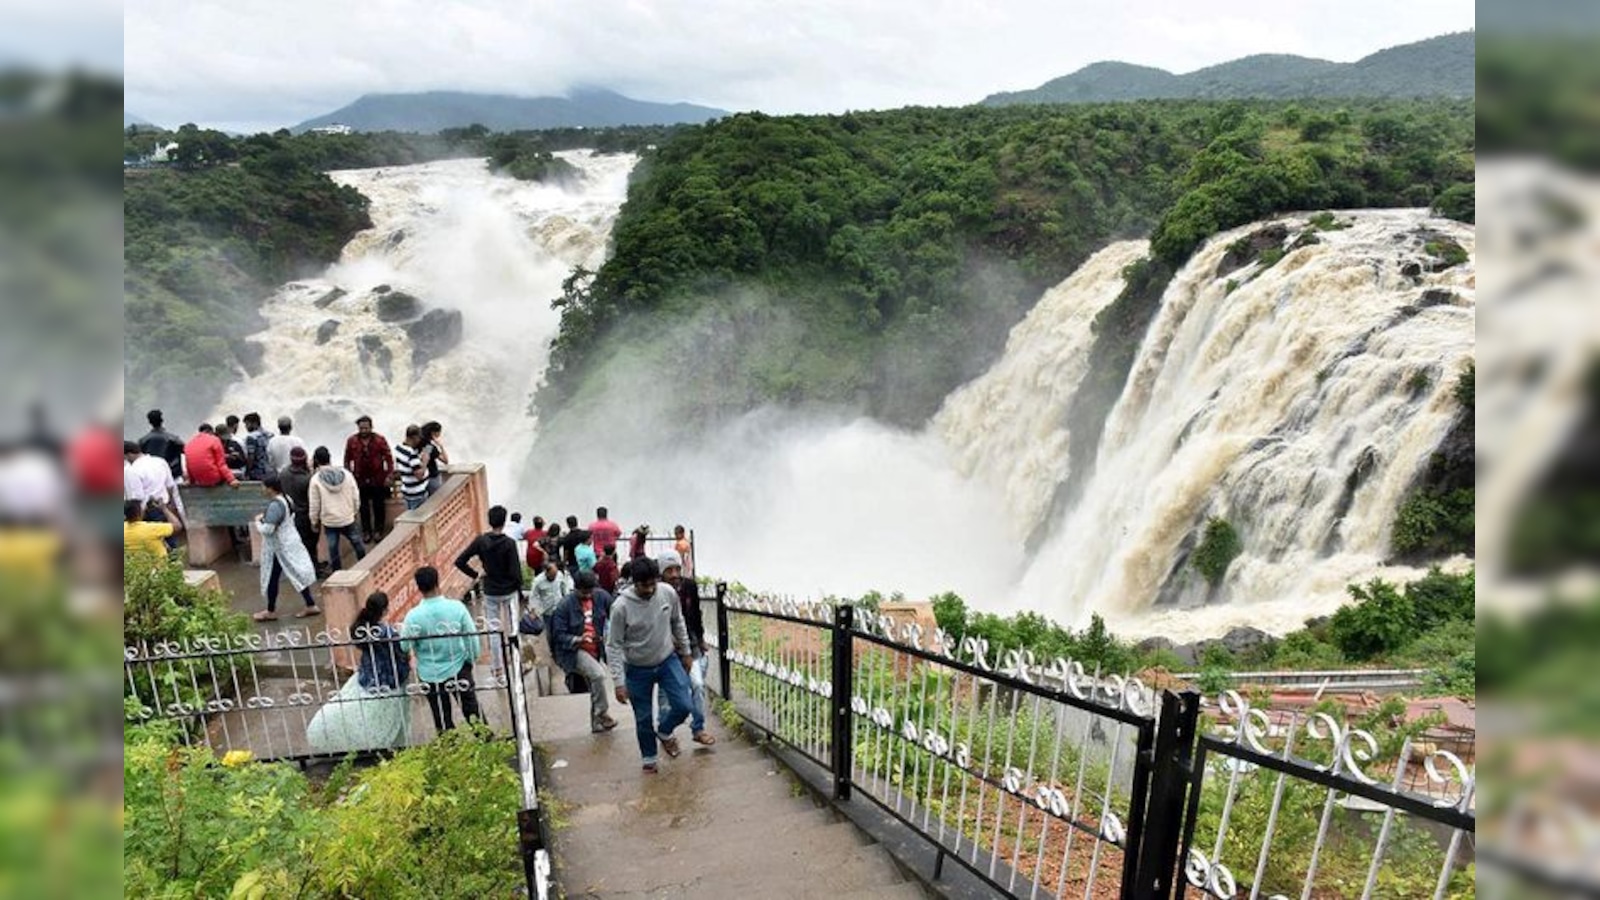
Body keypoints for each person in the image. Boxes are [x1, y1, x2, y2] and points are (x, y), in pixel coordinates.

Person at [606, 557, 708, 773]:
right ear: (635, 582)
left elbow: (677, 621)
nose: (650, 589)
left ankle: (664, 731)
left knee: (684, 705)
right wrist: (618, 682)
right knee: (643, 717)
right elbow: (613, 645)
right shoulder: (621, 607)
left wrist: (686, 652)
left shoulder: (667, 593)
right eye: (645, 585)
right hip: (636, 667)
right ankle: (649, 759)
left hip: (667, 659)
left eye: (653, 583)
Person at [306, 591, 411, 754]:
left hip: (368, 675)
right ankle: (388, 745)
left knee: (362, 712)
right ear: (384, 610)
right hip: (389, 679)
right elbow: (401, 650)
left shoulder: (361, 628)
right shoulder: (386, 632)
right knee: (390, 717)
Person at [400, 566, 481, 733]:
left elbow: (404, 645)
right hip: (458, 666)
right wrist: (471, 659)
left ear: (419, 588)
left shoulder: (413, 616)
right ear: (438, 583)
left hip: (429, 672)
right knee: (473, 712)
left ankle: (451, 751)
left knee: (442, 718)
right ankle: (486, 743)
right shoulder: (456, 607)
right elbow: (471, 637)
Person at [454, 505, 522, 681]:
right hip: (508, 591)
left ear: (489, 521)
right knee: (513, 629)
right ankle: (516, 664)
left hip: (491, 590)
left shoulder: (481, 541)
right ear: (504, 521)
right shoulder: (509, 543)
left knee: (493, 631)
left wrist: (476, 575)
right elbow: (516, 572)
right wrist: (518, 589)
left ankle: (497, 671)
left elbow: (460, 561)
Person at [552, 571, 619, 734]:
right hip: (574, 651)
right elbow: (558, 635)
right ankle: (602, 714)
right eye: (584, 592)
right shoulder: (564, 606)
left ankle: (596, 724)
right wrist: (578, 639)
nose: (588, 595)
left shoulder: (601, 597)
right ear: (576, 589)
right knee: (598, 675)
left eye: (590, 591)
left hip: (595, 648)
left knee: (595, 686)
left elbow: (617, 613)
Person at [252, 473, 320, 622]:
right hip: (290, 542)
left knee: (273, 577)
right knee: (295, 574)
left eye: (263, 486)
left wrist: (258, 522)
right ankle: (310, 604)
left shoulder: (275, 505)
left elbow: (268, 529)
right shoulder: (286, 499)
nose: (262, 489)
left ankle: (271, 610)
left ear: (270, 488)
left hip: (280, 547)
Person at [659, 550, 711, 743]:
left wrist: (700, 639)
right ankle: (666, 731)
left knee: (697, 684)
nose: (674, 575)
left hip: (690, 643)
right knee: (665, 693)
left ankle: (698, 728)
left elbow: (695, 614)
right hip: (665, 649)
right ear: (661, 573)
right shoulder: (656, 591)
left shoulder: (688, 586)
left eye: (677, 569)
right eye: (668, 570)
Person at [308, 446, 367, 573]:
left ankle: (337, 573)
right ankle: (365, 566)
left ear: (316, 461)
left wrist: (314, 521)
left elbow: (314, 504)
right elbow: (355, 495)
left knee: (333, 548)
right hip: (347, 517)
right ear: (330, 458)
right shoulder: (346, 474)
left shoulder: (315, 480)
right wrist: (354, 511)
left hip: (330, 521)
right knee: (357, 542)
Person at [343, 415, 394, 544]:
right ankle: (366, 532)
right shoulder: (352, 441)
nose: (364, 430)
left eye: (366, 428)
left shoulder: (380, 440)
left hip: (377, 478)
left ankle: (378, 530)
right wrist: (349, 475)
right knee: (363, 507)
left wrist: (389, 475)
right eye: (361, 428)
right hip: (360, 479)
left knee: (379, 506)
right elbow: (347, 459)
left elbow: (389, 458)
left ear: (371, 427)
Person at [124, 441, 183, 550]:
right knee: (170, 538)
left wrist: (137, 518)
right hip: (164, 506)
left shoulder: (132, 470)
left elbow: (137, 497)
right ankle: (174, 564)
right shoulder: (160, 461)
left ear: (129, 454)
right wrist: (169, 505)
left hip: (148, 511)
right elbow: (170, 485)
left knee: (152, 545)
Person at [527, 560, 572, 695]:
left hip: (560, 609)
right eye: (551, 576)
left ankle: (561, 650)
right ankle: (554, 651)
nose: (553, 577)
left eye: (555, 575)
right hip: (547, 612)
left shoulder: (559, 576)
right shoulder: (538, 581)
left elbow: (564, 588)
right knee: (551, 634)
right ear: (546, 573)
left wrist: (567, 600)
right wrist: (534, 610)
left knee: (562, 630)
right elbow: (533, 596)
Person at [278, 446, 320, 574]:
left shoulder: (283, 473)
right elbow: (313, 499)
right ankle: (314, 569)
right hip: (305, 515)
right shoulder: (307, 479)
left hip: (290, 514)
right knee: (310, 544)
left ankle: (303, 567)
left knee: (299, 544)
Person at [123, 497, 182, 561]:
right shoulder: (151, 528)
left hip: (134, 568)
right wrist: (164, 509)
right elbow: (177, 526)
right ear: (139, 513)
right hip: (158, 568)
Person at [182, 424, 239, 488]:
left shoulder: (189, 443)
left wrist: (190, 480)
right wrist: (232, 480)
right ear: (211, 432)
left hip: (198, 479)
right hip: (213, 479)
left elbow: (189, 466)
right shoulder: (214, 440)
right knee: (238, 475)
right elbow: (221, 464)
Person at [137, 409, 185, 480]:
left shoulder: (142, 441)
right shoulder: (174, 439)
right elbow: (187, 451)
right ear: (162, 420)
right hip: (172, 476)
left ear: (149, 422)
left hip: (152, 477)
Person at [394, 424, 429, 510]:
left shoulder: (398, 448)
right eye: (419, 438)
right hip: (417, 493)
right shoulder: (411, 454)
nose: (420, 440)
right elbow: (419, 475)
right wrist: (425, 461)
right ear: (414, 437)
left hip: (407, 491)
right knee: (418, 519)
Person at [241, 413, 273, 481]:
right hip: (269, 471)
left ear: (255, 423)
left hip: (256, 473)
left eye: (247, 424)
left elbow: (251, 457)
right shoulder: (270, 435)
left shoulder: (251, 437)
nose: (246, 427)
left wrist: (247, 472)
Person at [421, 421, 448, 496]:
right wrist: (441, 446)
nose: (440, 434)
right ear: (433, 433)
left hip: (423, 478)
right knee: (436, 498)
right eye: (439, 432)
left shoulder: (421, 443)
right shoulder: (429, 446)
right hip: (432, 477)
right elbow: (445, 460)